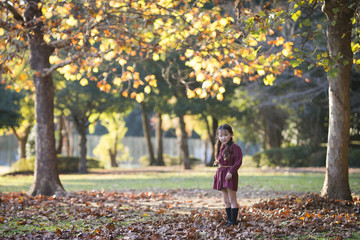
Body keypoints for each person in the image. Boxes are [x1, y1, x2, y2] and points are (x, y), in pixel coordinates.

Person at [213, 124, 243, 226]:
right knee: (226, 200)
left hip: (230, 175)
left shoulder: (235, 147)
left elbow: (238, 161)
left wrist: (231, 172)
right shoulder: (221, 147)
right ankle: (229, 220)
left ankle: (233, 221)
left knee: (232, 199)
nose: (223, 137)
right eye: (221, 135)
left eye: (226, 135)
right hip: (222, 175)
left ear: (231, 134)